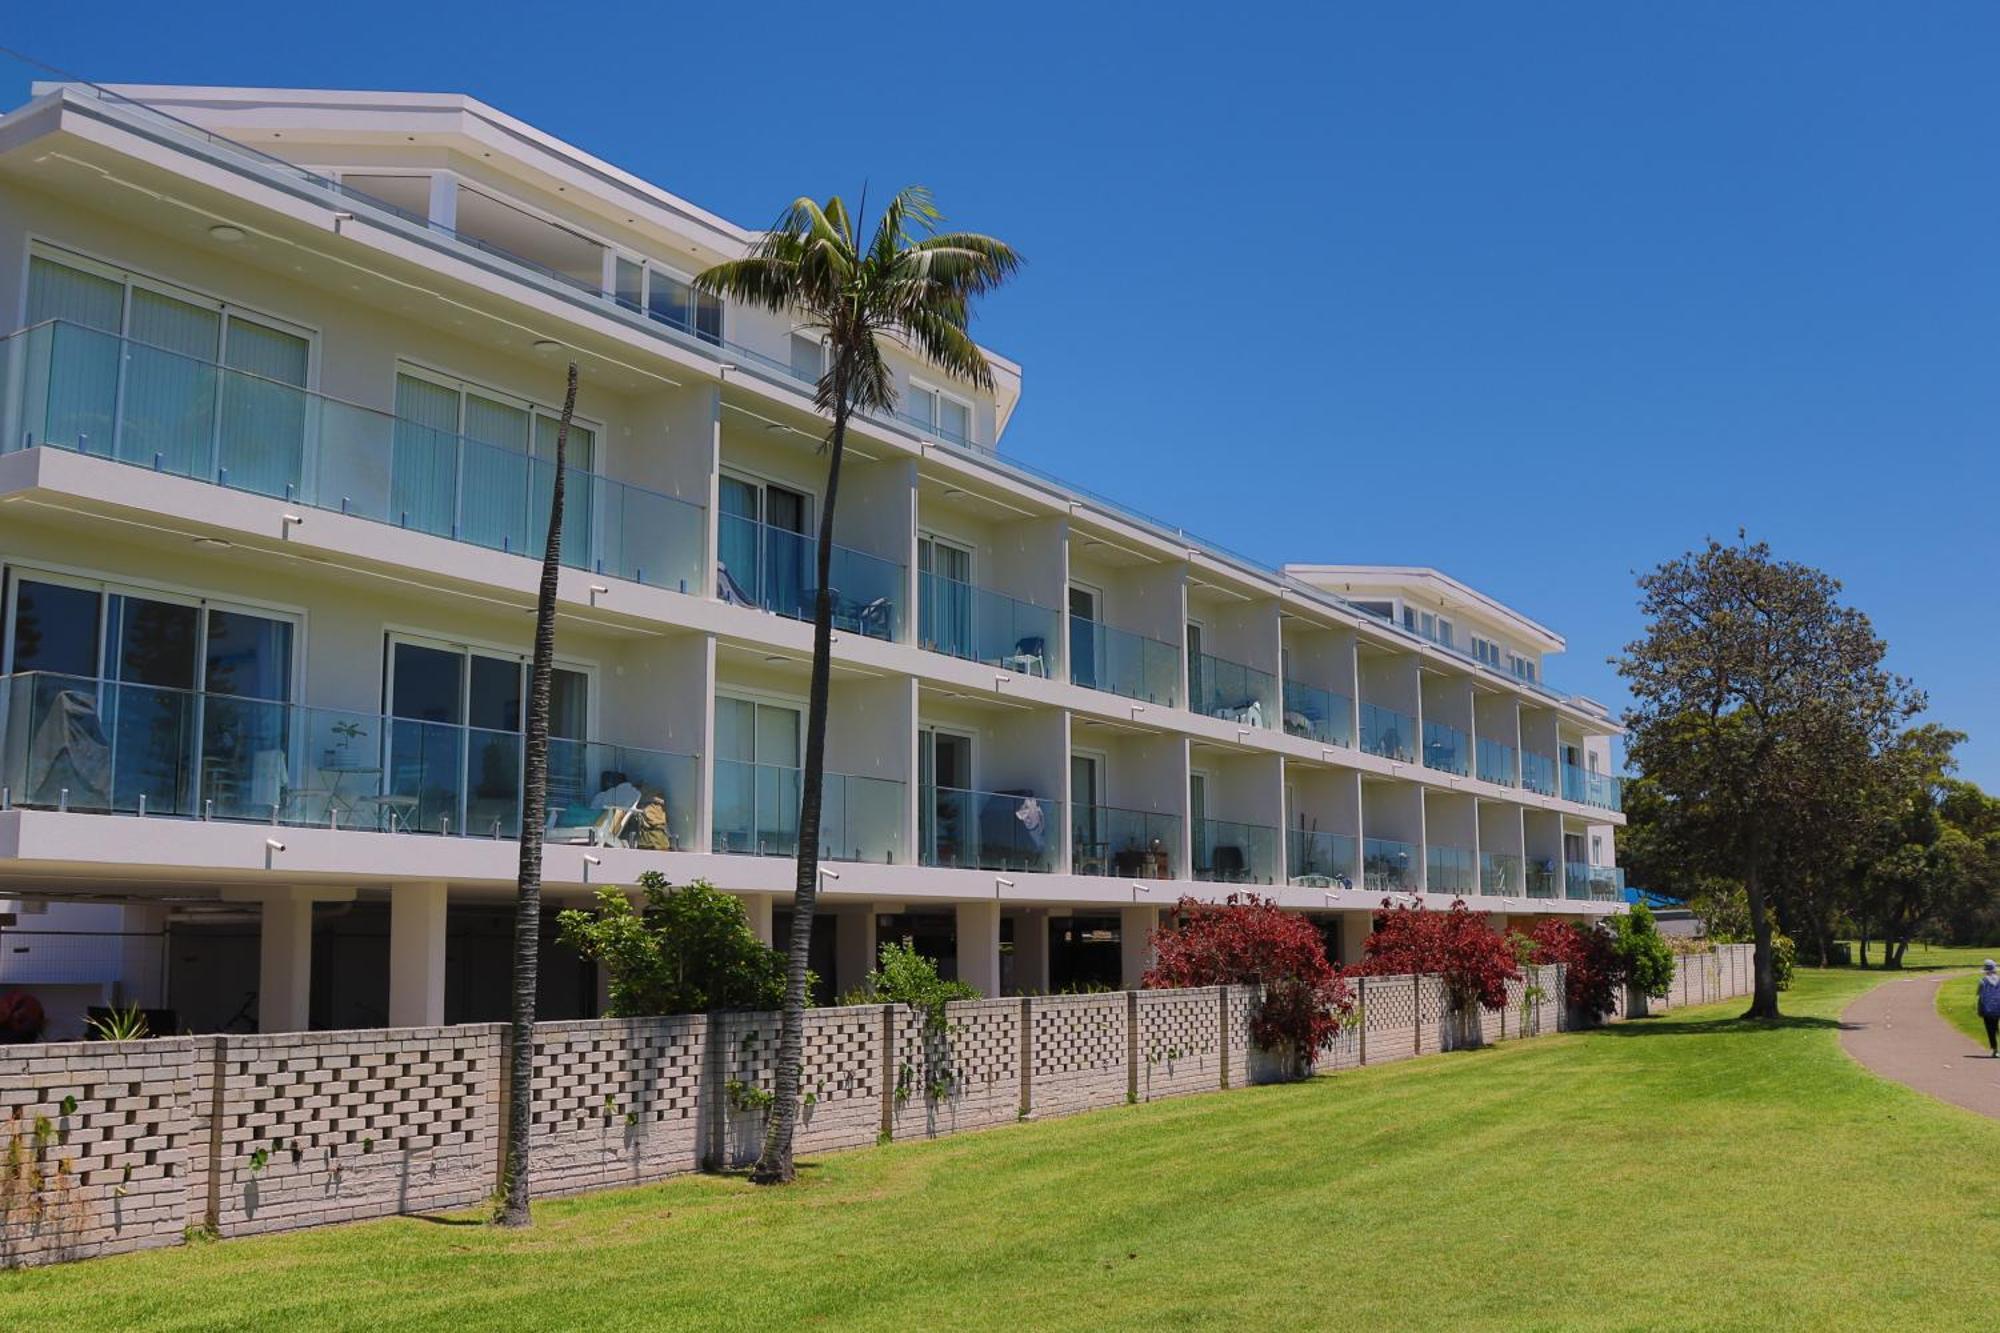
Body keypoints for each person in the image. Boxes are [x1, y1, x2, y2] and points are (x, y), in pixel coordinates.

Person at [1979, 960, 2000, 1058]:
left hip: (1987, 1009)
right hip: (1998, 1008)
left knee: (1990, 1030)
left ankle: (1995, 1049)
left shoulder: (1983, 981)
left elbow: (1980, 996)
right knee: (1996, 1027)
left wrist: (1980, 1009)